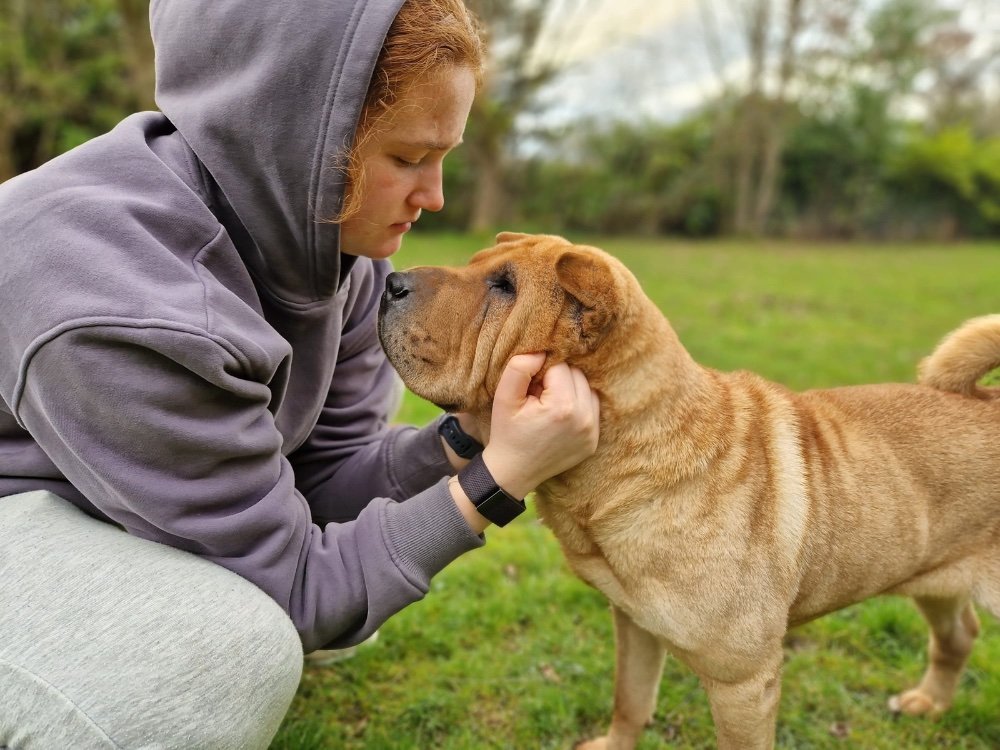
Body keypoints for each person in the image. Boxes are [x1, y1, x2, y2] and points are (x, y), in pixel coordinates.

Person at [0, 0, 600, 748]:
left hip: (96, 499)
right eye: (408, 158)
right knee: (247, 644)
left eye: (443, 156)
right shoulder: (123, 303)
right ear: (291, 141)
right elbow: (299, 586)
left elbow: (321, 486)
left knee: (346, 597)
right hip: (13, 514)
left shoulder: (338, 261)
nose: (435, 197)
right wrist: (495, 484)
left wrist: (467, 438)